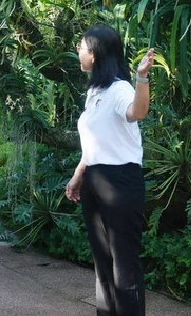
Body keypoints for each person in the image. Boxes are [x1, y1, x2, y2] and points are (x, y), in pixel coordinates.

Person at [65, 25, 155, 316]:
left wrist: (142, 77)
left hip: (120, 183)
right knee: (102, 264)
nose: (78, 51)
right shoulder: (95, 91)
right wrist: (80, 173)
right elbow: (97, 139)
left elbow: (137, 112)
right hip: (95, 179)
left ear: (94, 53)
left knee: (123, 264)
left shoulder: (120, 88)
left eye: (81, 46)